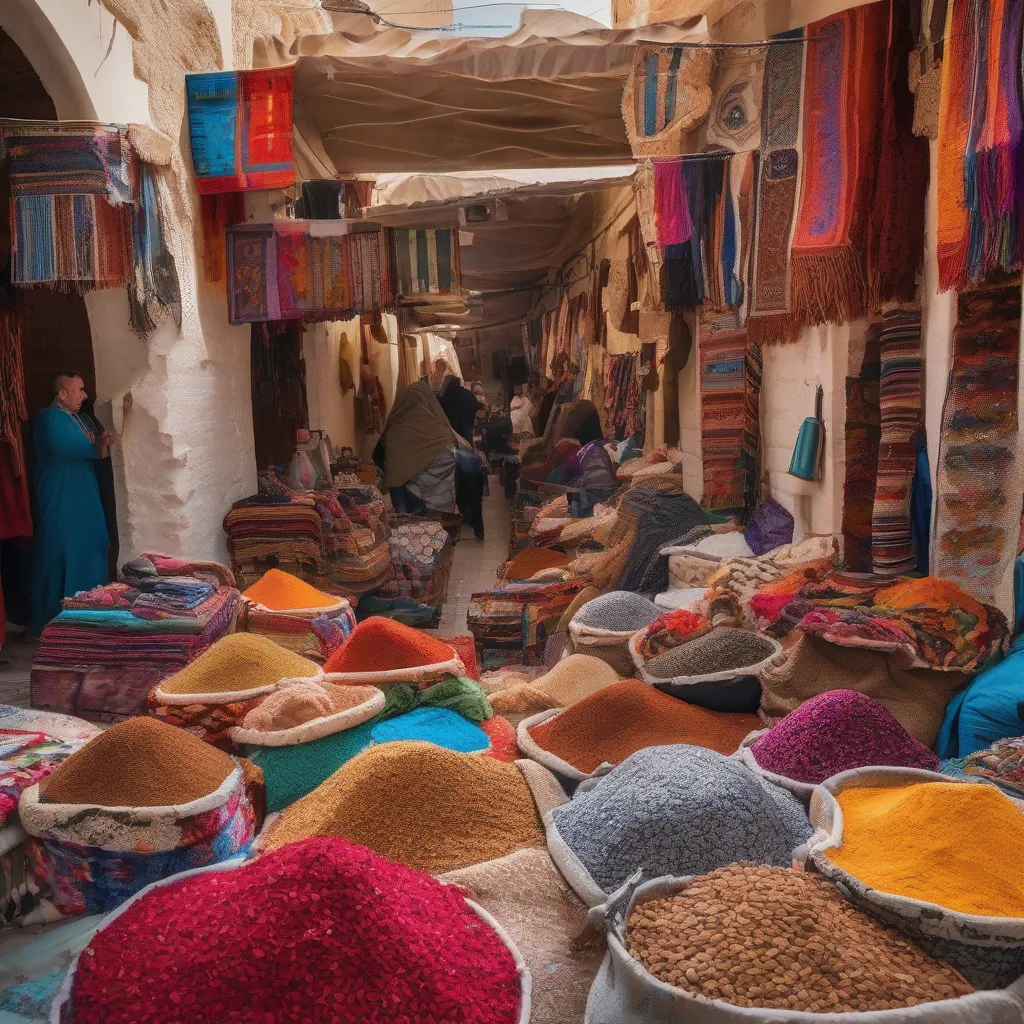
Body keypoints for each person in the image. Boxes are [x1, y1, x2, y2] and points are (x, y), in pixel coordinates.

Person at [31, 373, 112, 635]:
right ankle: (57, 623)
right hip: (62, 499)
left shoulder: (80, 418)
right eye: (77, 390)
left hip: (84, 496)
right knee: (62, 554)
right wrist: (99, 443)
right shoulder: (49, 418)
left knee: (88, 549)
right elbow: (70, 446)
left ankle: (90, 617)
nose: (84, 395)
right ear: (61, 394)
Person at [374, 381, 458, 514]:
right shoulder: (442, 430)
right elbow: (448, 462)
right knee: (439, 531)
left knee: (410, 531)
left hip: (407, 503)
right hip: (440, 502)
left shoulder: (395, 431)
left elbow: (393, 470)